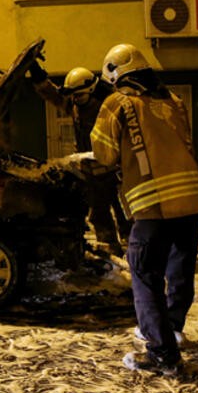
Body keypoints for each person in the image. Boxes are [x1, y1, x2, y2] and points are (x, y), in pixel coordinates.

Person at [89, 43, 198, 375]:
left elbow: (103, 155)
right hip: (192, 200)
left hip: (154, 205)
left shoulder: (118, 103)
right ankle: (173, 328)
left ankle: (162, 354)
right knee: (179, 268)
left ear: (115, 73)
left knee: (144, 274)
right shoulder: (173, 101)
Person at [29, 64, 130, 255]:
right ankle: (110, 248)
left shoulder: (107, 109)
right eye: (73, 96)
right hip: (92, 172)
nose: (75, 99)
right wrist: (39, 79)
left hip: (114, 171)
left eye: (79, 96)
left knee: (124, 212)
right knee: (99, 214)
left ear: (91, 90)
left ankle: (134, 248)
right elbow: (55, 96)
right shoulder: (76, 105)